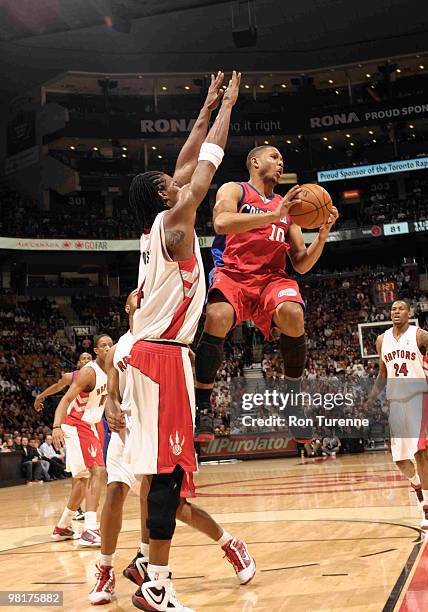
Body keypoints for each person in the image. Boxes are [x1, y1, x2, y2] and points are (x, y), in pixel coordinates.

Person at [126, 71, 249, 611]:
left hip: (146, 358)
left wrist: (205, 105)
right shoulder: (177, 219)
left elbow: (186, 160)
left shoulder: (161, 223)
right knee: (169, 479)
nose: (181, 183)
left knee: (160, 477)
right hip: (165, 359)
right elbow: (206, 165)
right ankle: (158, 583)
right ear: (163, 194)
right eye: (171, 183)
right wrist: (230, 109)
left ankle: (147, 566)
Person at [90, 291, 255, 604]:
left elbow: (188, 372)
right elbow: (112, 389)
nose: (143, 297)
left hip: (159, 432)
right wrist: (110, 403)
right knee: (113, 492)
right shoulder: (119, 348)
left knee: (172, 506)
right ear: (127, 307)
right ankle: (107, 568)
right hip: (126, 432)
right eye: (136, 296)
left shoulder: (167, 337)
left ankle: (229, 543)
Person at [194, 145, 339, 442]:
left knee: (293, 312)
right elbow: (221, 222)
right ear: (255, 162)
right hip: (233, 273)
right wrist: (273, 215)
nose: (280, 161)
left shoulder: (289, 211)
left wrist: (321, 237)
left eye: (282, 159)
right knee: (217, 315)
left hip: (271, 280)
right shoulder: (236, 190)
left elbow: (300, 264)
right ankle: (204, 406)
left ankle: (293, 405)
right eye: (274, 157)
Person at [368, 300, 428, 530]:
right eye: (393, 309)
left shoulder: (421, 336)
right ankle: (417, 487)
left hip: (420, 398)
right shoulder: (382, 340)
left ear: (409, 313)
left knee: (420, 454)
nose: (396, 311)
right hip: (396, 402)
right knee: (400, 462)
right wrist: (371, 396)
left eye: (401, 308)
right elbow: (383, 372)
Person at [51, 335, 112, 546]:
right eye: (103, 345)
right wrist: (56, 426)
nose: (108, 348)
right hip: (77, 424)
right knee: (98, 471)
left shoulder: (112, 370)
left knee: (82, 480)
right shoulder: (89, 372)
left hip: (91, 424)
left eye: (111, 345)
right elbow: (66, 398)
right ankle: (90, 529)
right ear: (96, 350)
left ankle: (62, 527)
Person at [34, 353, 93, 519]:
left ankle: (81, 509)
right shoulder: (72, 376)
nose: (87, 361)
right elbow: (57, 387)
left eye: (89, 358)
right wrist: (40, 396)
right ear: (78, 363)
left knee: (91, 471)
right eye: (83, 359)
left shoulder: (99, 374)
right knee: (80, 470)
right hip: (74, 425)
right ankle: (78, 510)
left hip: (92, 423)